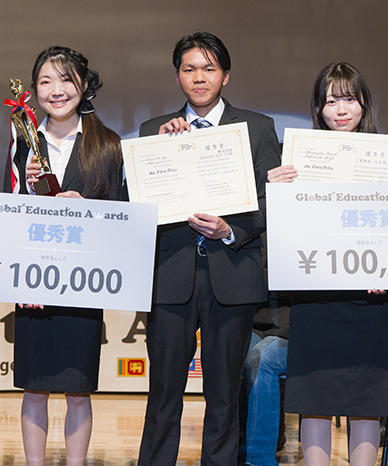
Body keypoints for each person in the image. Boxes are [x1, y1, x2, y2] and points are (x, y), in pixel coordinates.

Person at [136, 31, 280, 466]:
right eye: (189, 69)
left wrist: (230, 230)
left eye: (209, 69)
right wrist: (161, 151)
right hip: (170, 276)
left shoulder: (257, 128)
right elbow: (135, 204)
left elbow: (270, 201)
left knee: (224, 394)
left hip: (232, 276)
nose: (199, 78)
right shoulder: (153, 131)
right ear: (178, 76)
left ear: (226, 75)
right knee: (163, 393)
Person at [269, 62, 388, 466]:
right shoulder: (296, 158)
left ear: (364, 104)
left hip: (368, 298)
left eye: (349, 99)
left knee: (367, 399)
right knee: (315, 398)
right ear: (317, 108)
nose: (341, 110)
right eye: (330, 101)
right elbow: (285, 227)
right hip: (315, 295)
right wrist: (275, 191)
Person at [4, 46, 123, 466]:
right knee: (34, 388)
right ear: (33, 90)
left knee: (78, 390)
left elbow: (122, 216)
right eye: (45, 81)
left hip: (82, 283)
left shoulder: (108, 144)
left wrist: (86, 207)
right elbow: (8, 211)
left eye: (66, 80)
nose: (56, 90)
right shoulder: (23, 140)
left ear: (84, 85)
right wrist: (25, 187)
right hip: (34, 283)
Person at [238, 293, 290, 466]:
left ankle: (260, 461)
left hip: (296, 319)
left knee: (261, 358)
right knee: (233, 357)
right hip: (250, 317)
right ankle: (238, 451)